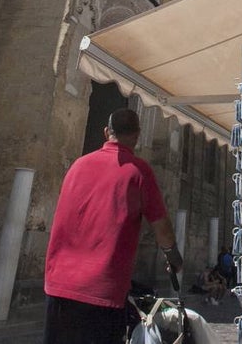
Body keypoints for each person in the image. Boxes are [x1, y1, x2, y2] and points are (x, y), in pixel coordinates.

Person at [43, 108, 182, 344]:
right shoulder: (139, 171)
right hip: (102, 289)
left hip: (59, 285)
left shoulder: (78, 165)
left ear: (107, 132)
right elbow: (162, 227)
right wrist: (173, 256)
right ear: (138, 136)